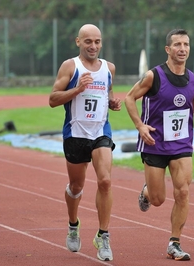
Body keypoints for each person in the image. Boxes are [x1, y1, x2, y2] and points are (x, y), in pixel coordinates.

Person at [124, 29, 194, 261]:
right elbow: (129, 98)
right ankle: (147, 191)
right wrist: (140, 126)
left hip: (181, 144)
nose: (182, 48)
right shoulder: (153, 76)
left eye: (186, 44)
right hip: (155, 143)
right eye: (177, 44)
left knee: (183, 192)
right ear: (168, 49)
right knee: (158, 199)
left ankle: (174, 242)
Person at [49, 24, 121, 261]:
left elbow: (107, 94)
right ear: (78, 41)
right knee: (76, 187)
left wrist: (112, 102)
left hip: (101, 132)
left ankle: (103, 235)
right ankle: (73, 224)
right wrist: (77, 89)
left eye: (97, 41)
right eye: (88, 41)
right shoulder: (71, 66)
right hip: (75, 134)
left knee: (106, 181)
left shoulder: (109, 68)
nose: (93, 46)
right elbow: (52, 99)